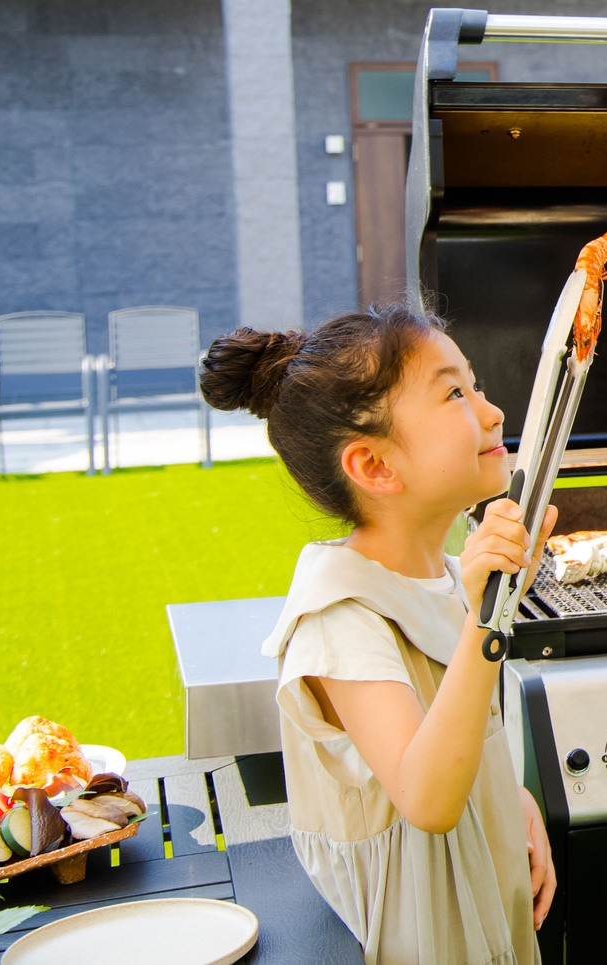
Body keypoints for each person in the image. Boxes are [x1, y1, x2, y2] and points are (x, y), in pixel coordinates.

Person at [202, 306, 556, 965]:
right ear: (374, 466)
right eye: (454, 392)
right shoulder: (341, 616)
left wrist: (510, 795)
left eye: (474, 384)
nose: (492, 412)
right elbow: (425, 796)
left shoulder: (451, 577)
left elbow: (461, 731)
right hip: (415, 936)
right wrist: (484, 620)